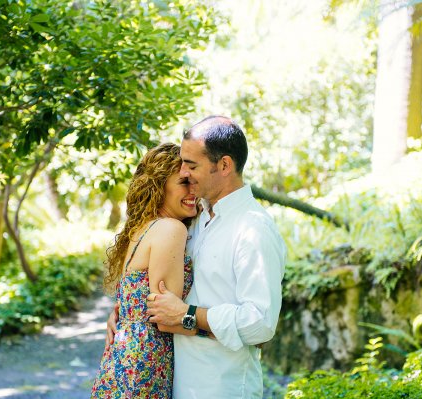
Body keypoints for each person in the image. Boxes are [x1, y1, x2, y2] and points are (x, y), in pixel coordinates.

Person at [146, 116, 287, 398]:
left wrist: (186, 314)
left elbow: (260, 323)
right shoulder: (195, 218)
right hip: (182, 384)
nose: (183, 173)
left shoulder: (253, 228)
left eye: (192, 165)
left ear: (224, 165)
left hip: (224, 387)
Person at [91, 143, 199, 398]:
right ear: (159, 187)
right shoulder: (171, 229)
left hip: (123, 363)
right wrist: (223, 329)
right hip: (144, 368)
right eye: (183, 182)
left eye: (194, 181)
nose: (193, 189)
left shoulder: (145, 228)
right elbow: (167, 318)